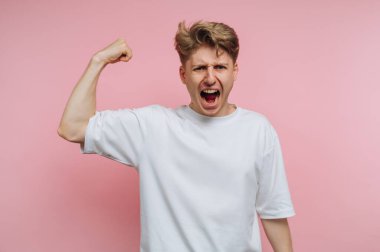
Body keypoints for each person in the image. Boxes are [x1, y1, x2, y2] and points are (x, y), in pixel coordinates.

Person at [58, 21, 296, 252]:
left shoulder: (258, 130)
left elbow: (273, 212)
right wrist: (98, 61)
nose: (210, 77)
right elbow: (73, 127)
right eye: (200, 68)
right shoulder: (152, 127)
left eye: (220, 67)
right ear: (183, 74)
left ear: (234, 71)